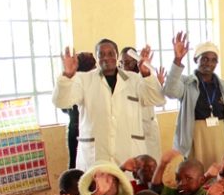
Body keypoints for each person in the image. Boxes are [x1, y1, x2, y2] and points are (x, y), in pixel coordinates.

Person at [53, 40, 165, 170]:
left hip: (128, 154)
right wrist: (67, 75)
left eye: (111, 53)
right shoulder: (84, 80)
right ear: (97, 58)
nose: (106, 58)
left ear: (117, 56)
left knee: (128, 182)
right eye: (101, 54)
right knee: (97, 181)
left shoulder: (134, 79)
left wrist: (146, 74)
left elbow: (157, 99)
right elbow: (61, 101)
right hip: (95, 156)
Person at [163, 33, 224, 168]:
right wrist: (177, 60)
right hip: (197, 137)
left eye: (214, 60)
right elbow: (170, 91)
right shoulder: (186, 82)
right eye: (205, 59)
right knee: (197, 172)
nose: (209, 63)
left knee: (219, 172)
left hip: (220, 137)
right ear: (196, 59)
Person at [120, 46, 163, 160]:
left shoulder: (147, 77)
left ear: (136, 61)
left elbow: (160, 102)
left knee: (151, 164)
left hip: (148, 132)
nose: (124, 66)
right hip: (128, 133)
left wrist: (158, 84)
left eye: (128, 62)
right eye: (122, 63)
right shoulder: (119, 82)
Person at [62, 53, 96, 169]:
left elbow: (64, 108)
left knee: (75, 163)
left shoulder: (72, 81)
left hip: (74, 128)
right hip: (85, 128)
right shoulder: (87, 83)